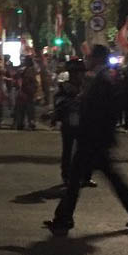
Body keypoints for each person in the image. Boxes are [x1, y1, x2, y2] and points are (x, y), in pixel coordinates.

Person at [46, 45, 128, 236]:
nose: (87, 60)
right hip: (95, 136)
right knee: (103, 177)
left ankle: (63, 218)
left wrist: (94, 128)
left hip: (93, 136)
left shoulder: (103, 80)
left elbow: (103, 109)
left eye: (90, 57)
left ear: (97, 58)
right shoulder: (101, 78)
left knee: (78, 178)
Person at [52, 58, 93, 188]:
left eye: (80, 72)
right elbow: (58, 103)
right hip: (69, 121)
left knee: (86, 150)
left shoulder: (87, 86)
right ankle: (67, 176)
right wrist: (73, 100)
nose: (79, 75)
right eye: (76, 72)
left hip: (84, 121)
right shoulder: (64, 87)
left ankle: (86, 176)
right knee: (68, 151)